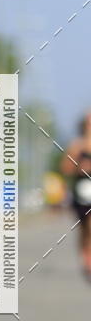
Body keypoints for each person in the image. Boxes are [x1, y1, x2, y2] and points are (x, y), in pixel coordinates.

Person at [61, 112, 91, 281]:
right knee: (84, 227)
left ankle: (89, 258)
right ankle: (85, 254)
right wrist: (80, 166)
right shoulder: (76, 145)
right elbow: (65, 168)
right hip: (81, 192)